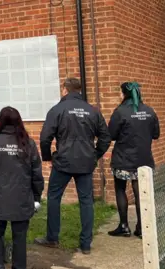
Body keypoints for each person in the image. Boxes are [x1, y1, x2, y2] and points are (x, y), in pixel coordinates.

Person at [35, 77, 111, 254]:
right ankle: (85, 244)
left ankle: (52, 238)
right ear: (80, 90)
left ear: (65, 90)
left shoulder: (57, 109)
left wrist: (47, 157)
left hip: (63, 162)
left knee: (54, 197)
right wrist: (95, 155)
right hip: (86, 162)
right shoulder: (93, 111)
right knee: (86, 201)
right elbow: (105, 137)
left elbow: (45, 137)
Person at [0, 106, 44, 269]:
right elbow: (37, 174)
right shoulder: (28, 143)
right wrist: (36, 197)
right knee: (19, 237)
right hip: (21, 199)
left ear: (1, 121)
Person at [107, 82, 160, 239]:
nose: (119, 95)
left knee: (120, 189)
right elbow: (156, 134)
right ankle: (142, 228)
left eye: (120, 92)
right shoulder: (150, 111)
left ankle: (124, 226)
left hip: (123, 159)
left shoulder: (120, 112)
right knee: (140, 193)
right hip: (144, 159)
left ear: (124, 94)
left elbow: (112, 135)